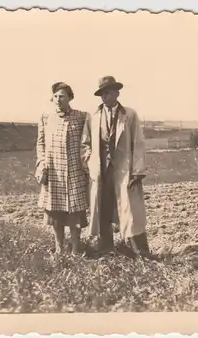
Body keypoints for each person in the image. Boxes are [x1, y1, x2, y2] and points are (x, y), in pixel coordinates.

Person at [81, 75, 152, 258]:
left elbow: (138, 143)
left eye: (107, 93)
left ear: (116, 93)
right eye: (101, 94)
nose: (104, 97)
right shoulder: (93, 116)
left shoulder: (129, 115)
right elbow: (85, 143)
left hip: (124, 169)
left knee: (131, 211)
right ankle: (106, 249)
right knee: (103, 208)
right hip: (101, 170)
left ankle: (140, 252)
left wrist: (137, 170)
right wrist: (90, 161)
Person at [36, 82, 89, 255]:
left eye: (62, 97)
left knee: (74, 214)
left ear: (70, 98)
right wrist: (42, 162)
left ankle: (75, 249)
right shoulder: (46, 117)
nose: (58, 100)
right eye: (55, 96)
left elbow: (87, 142)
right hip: (54, 172)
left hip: (74, 172)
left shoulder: (81, 117)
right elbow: (40, 143)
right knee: (55, 212)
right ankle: (59, 248)